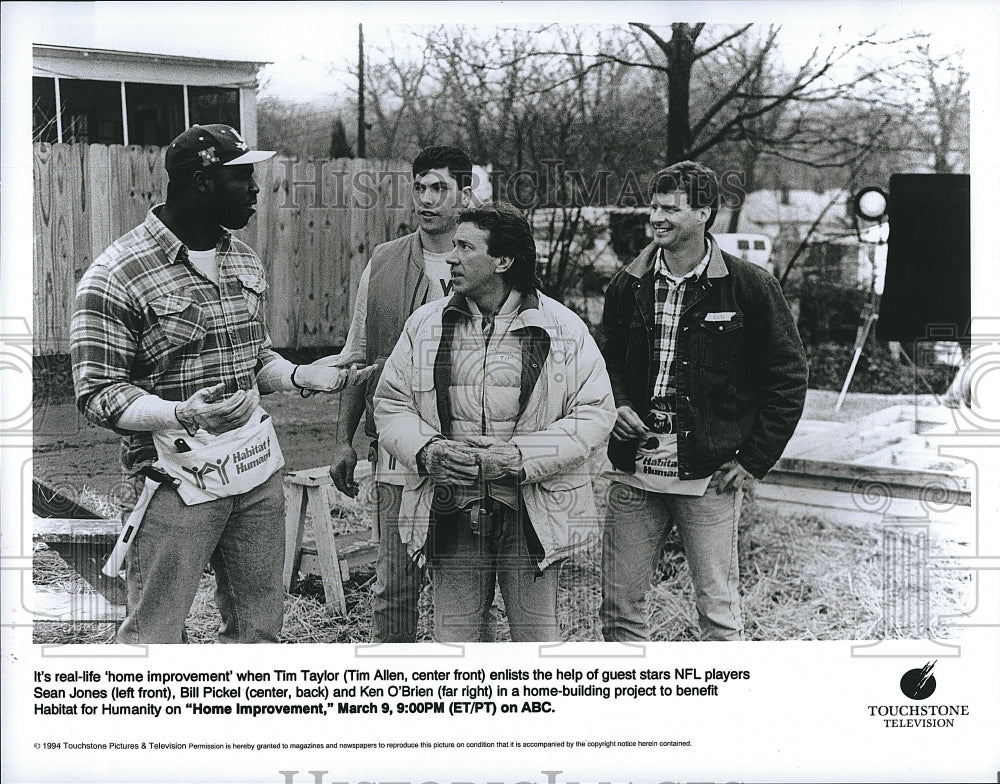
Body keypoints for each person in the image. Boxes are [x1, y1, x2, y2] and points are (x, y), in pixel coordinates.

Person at [70, 124, 373, 644]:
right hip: (173, 481)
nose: (256, 191)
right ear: (202, 183)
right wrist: (182, 413)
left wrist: (302, 376)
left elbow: (254, 359)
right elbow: (98, 393)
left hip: (255, 472)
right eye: (243, 178)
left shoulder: (243, 259)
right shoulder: (117, 274)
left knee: (258, 632)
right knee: (155, 638)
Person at [374, 203, 616, 642]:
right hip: (451, 512)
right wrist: (427, 451)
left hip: (534, 516)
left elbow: (596, 414)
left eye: (465, 247)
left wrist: (520, 457)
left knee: (536, 647)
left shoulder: (564, 329)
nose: (451, 257)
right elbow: (390, 405)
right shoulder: (425, 325)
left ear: (503, 261)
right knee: (455, 648)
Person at [599, 160, 808, 642]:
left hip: (709, 474)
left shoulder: (750, 287)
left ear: (704, 213)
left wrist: (755, 459)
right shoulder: (627, 284)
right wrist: (619, 404)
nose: (657, 217)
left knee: (717, 610)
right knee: (619, 606)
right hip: (636, 470)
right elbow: (604, 361)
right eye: (654, 206)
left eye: (670, 208)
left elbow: (789, 377)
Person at [327, 146, 476, 643]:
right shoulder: (385, 262)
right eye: (420, 187)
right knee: (394, 588)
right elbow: (358, 356)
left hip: (470, 451)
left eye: (440, 188)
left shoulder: (488, 261)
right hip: (396, 451)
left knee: (465, 590)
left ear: (465, 193)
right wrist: (344, 441)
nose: (427, 199)